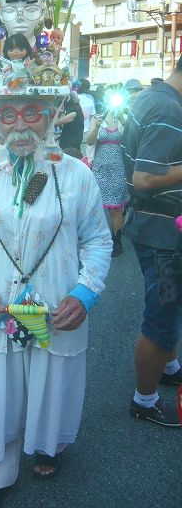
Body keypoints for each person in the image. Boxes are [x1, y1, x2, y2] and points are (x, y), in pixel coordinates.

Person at [0, 69, 112, 507]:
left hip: (54, 300)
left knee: (53, 376)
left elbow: (98, 239)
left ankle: (49, 445)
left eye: (31, 114)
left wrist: (85, 292)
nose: (20, 125)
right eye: (8, 114)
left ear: (50, 116)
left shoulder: (77, 175)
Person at [122, 59, 182, 428]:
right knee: (162, 316)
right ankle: (145, 400)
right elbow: (144, 176)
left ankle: (169, 366)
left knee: (170, 306)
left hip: (155, 226)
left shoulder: (155, 97)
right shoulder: (167, 107)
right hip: (162, 234)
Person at [86, 107, 128, 257]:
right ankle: (97, 240)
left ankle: (117, 241)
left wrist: (125, 122)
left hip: (119, 170)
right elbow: (89, 142)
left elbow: (131, 140)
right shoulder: (97, 119)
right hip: (99, 170)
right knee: (96, 207)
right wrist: (96, 126)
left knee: (116, 209)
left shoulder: (124, 117)